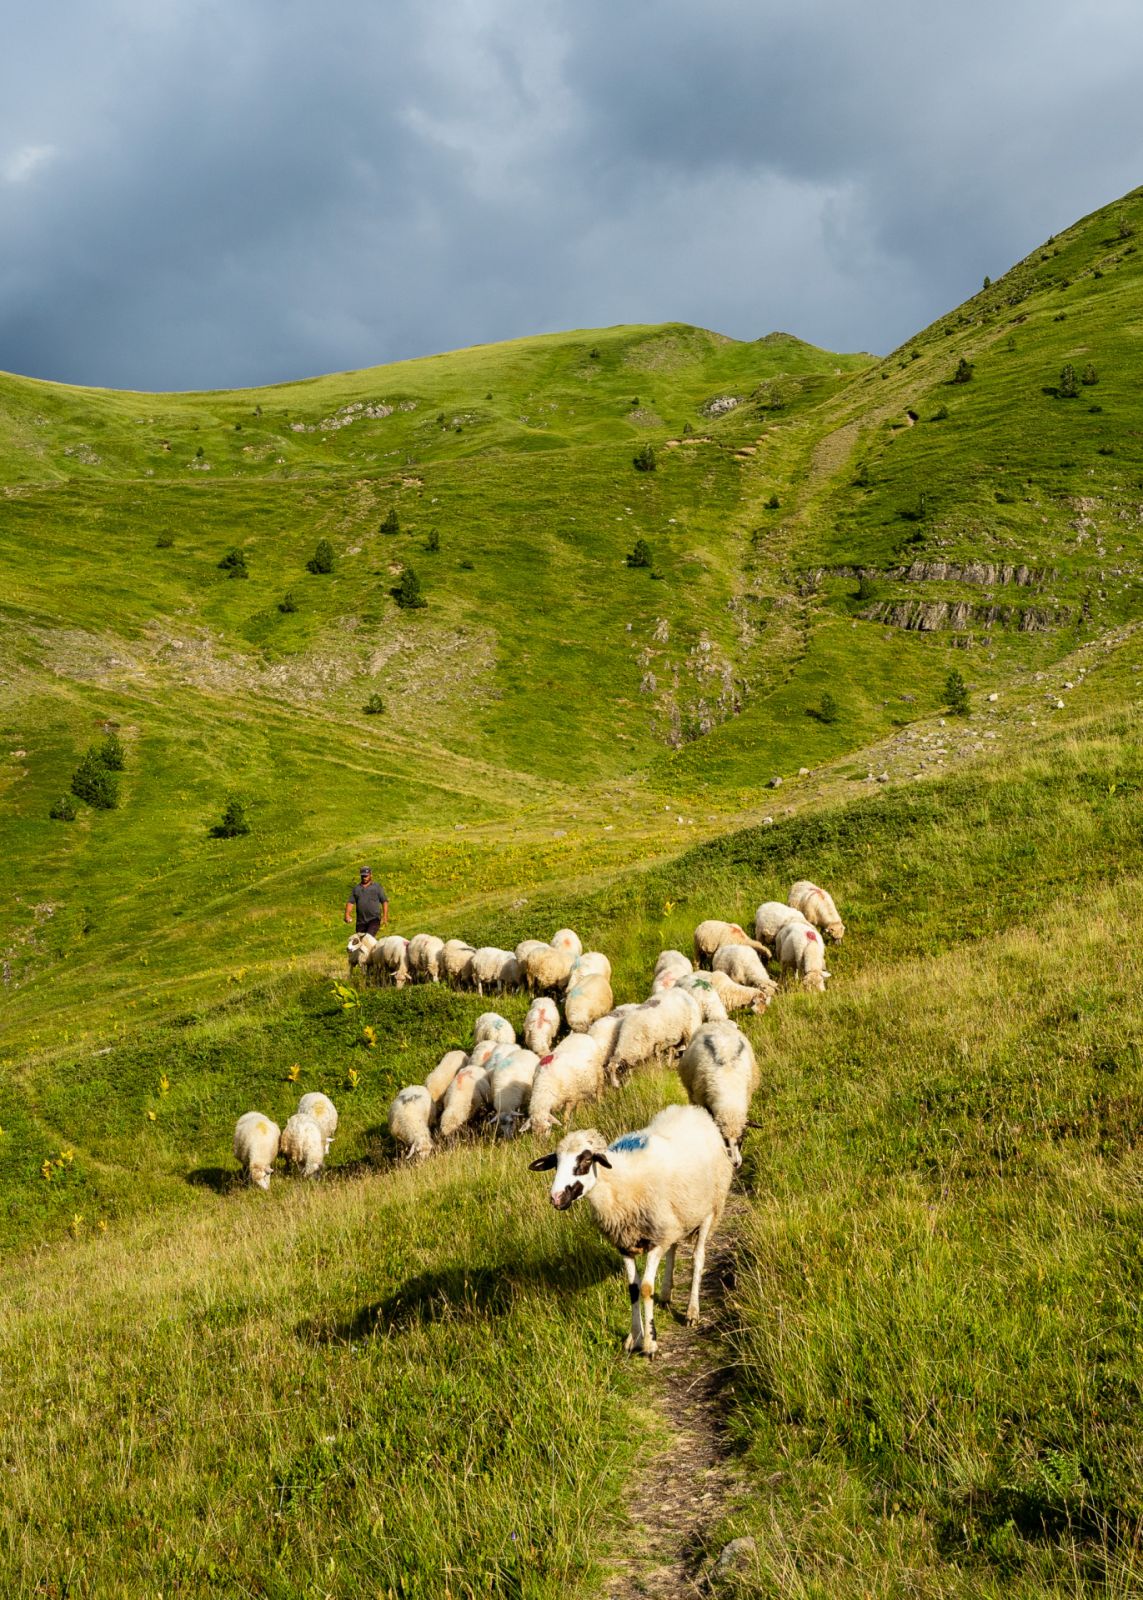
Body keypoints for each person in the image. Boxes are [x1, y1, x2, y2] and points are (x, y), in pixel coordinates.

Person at [345, 866, 389, 936]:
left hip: (374, 919)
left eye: (366, 876)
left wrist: (385, 916)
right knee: (360, 942)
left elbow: (384, 901)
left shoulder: (377, 887)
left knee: (368, 937)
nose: (364, 878)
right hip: (361, 922)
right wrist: (347, 915)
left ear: (371, 875)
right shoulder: (356, 889)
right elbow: (350, 902)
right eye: (363, 876)